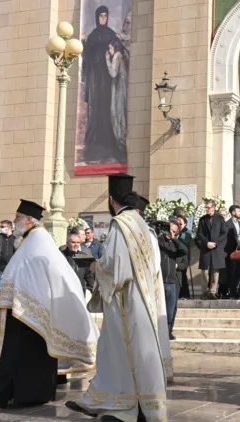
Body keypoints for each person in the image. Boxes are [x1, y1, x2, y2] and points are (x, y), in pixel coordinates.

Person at [0, 200, 98, 408]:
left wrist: (24, 298)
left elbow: (39, 273)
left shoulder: (37, 239)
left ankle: (1, 394)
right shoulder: (33, 239)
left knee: (16, 353)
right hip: (27, 308)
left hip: (28, 309)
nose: (14, 221)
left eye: (18, 217)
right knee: (25, 354)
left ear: (29, 220)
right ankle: (23, 394)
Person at [66, 174, 171, 421]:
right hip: (145, 299)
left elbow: (116, 268)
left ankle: (121, 407)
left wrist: (96, 267)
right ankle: (138, 406)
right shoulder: (143, 225)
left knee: (118, 351)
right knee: (137, 353)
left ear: (112, 200)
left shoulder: (120, 224)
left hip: (125, 301)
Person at [79, 5, 124, 164]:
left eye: (105, 16)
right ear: (97, 17)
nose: (103, 18)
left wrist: (118, 41)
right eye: (101, 16)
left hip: (107, 78)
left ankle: (109, 145)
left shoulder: (111, 34)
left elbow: (118, 51)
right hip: (95, 79)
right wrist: (83, 41)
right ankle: (94, 146)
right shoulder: (92, 36)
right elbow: (86, 56)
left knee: (107, 108)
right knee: (96, 108)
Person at [159, 221, 188, 339]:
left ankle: (168, 331)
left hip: (173, 281)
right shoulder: (159, 241)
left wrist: (174, 239)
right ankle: (160, 331)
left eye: (174, 231)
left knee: (171, 310)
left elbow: (185, 253)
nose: (171, 233)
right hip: (160, 280)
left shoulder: (176, 245)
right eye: (170, 230)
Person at [195, 200, 228, 299]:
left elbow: (224, 232)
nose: (207, 209)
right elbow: (199, 233)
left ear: (213, 208)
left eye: (209, 207)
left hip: (216, 248)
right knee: (204, 270)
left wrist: (215, 243)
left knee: (215, 271)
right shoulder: (202, 219)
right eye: (206, 207)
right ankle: (204, 291)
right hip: (206, 248)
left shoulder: (220, 218)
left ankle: (213, 291)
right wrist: (207, 243)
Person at [175, 215, 193, 299]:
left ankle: (184, 294)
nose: (179, 224)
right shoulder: (175, 231)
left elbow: (185, 243)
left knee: (183, 275)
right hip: (176, 256)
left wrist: (176, 238)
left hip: (183, 257)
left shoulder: (187, 232)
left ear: (185, 223)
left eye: (180, 223)